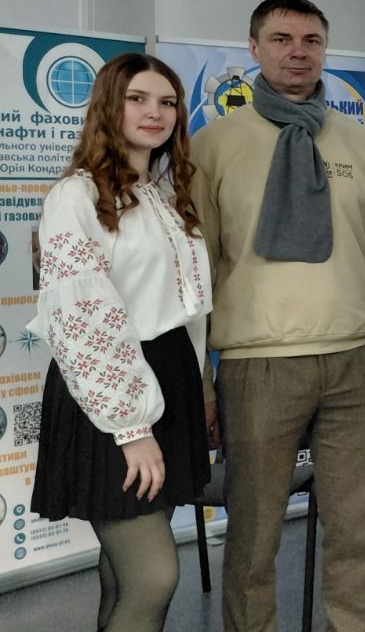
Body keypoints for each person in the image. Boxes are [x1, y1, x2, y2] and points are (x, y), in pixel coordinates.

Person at [191, 0, 365, 632]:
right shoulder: (212, 146)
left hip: (357, 361)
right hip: (258, 365)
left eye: (311, 41)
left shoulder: (362, 145)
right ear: (254, 48)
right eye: (281, 39)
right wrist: (203, 381)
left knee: (355, 533)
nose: (298, 52)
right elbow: (195, 275)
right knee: (253, 538)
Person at [30, 52, 213, 632]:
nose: (155, 112)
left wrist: (200, 388)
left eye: (167, 102)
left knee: (121, 571)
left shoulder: (163, 193)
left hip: (167, 379)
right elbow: (82, 319)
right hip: (112, 394)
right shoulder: (76, 196)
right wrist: (132, 428)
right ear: (110, 106)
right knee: (153, 576)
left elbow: (187, 309)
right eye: (138, 98)